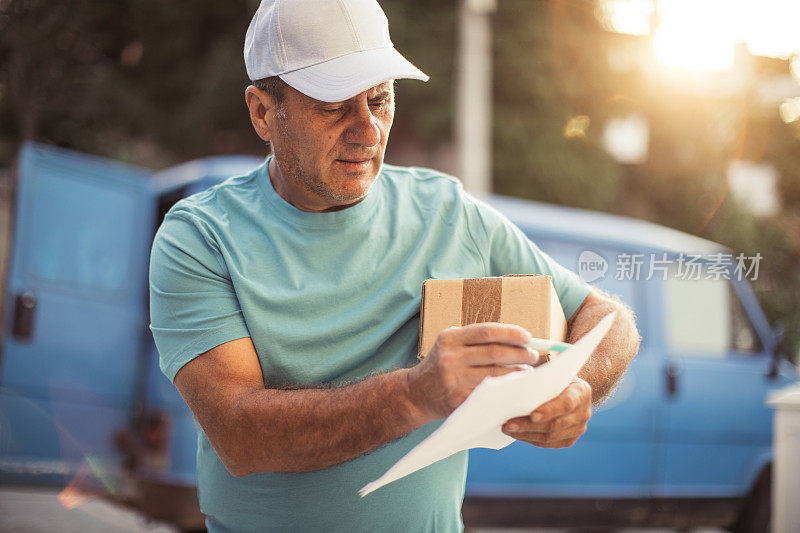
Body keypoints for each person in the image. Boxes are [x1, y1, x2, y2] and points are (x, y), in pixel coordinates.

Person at [148, 0, 641, 531]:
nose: (368, 130)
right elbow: (240, 435)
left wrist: (570, 388)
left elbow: (608, 319)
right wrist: (415, 393)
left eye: (380, 100)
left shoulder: (448, 212)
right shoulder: (200, 237)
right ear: (263, 112)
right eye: (336, 105)